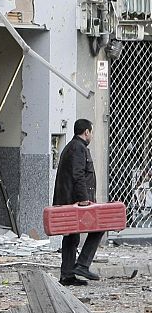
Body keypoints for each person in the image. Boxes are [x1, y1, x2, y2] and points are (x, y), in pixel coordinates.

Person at [53, 118, 102, 286]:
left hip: (70, 200)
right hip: (76, 201)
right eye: (91, 132)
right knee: (99, 228)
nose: (92, 136)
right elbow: (78, 174)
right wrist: (84, 199)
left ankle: (67, 275)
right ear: (86, 132)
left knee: (71, 237)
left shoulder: (73, 147)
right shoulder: (78, 148)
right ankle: (82, 265)